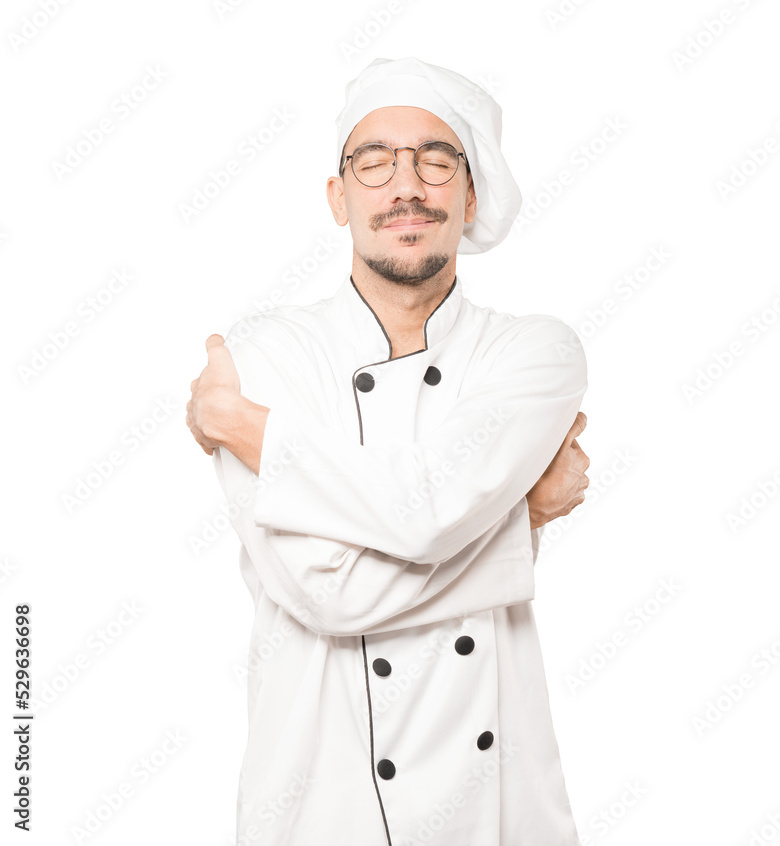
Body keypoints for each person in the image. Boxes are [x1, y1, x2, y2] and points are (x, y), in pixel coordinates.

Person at [186, 56, 590, 846]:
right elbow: (328, 597)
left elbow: (429, 513)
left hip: (500, 816)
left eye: (436, 160)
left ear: (471, 194)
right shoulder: (265, 357)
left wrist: (249, 429)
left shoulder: (537, 354)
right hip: (318, 811)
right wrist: (521, 519)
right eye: (374, 162)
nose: (406, 185)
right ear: (338, 197)